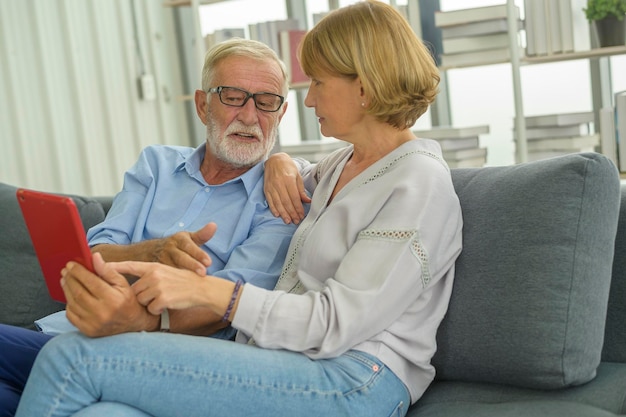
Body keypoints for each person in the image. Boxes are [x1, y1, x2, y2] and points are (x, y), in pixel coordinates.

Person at [15, 1, 463, 416]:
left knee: (69, 356)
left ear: (363, 88)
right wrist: (281, 162)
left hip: (355, 379)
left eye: (320, 84)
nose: (309, 100)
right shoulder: (344, 165)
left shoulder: (418, 183)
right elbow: (288, 171)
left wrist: (208, 292)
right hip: (282, 360)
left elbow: (334, 324)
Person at [0, 38, 298, 417]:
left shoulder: (279, 202)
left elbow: (232, 304)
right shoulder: (156, 165)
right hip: (65, 330)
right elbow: (94, 255)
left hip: (151, 356)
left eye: (266, 101)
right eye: (233, 96)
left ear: (282, 112)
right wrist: (151, 251)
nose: (250, 115)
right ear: (203, 104)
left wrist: (285, 160)